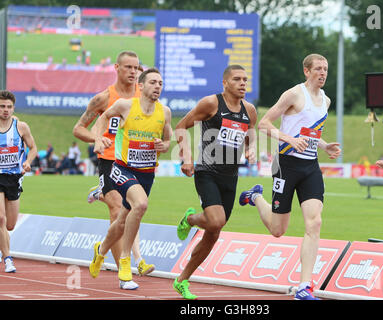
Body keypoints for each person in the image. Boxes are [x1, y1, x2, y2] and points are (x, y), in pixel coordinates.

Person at [239, 54, 341, 300]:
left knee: (314, 223)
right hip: (286, 165)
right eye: (318, 69)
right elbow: (264, 123)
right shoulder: (294, 94)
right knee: (277, 229)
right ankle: (255, 197)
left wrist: (325, 146)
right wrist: (290, 140)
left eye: (325, 69)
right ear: (306, 71)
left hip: (310, 168)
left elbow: (310, 133)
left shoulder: (325, 100)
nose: (322, 73)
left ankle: (304, 286)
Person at [174, 65, 257, 299]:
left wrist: (250, 150)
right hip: (207, 170)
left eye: (245, 80)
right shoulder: (211, 103)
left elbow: (250, 133)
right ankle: (190, 218)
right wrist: (187, 158)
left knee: (215, 230)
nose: (242, 83)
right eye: (237, 79)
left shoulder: (249, 110)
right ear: (225, 83)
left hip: (230, 176)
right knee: (216, 220)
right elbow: (181, 126)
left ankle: (182, 280)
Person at [72, 50, 153, 289]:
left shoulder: (144, 96)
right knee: (118, 209)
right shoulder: (103, 98)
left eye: (136, 68)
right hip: (110, 160)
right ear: (116, 68)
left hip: (136, 162)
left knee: (131, 211)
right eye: (128, 67)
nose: (133, 72)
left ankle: (100, 197)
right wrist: (96, 139)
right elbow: (79, 129)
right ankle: (123, 273)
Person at [88, 68, 172, 288]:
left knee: (122, 220)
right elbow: (103, 118)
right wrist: (98, 139)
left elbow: (167, 137)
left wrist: (164, 145)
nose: (158, 86)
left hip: (146, 173)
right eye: (153, 82)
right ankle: (126, 261)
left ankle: (101, 249)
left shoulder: (165, 112)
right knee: (141, 204)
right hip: (123, 168)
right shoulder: (126, 105)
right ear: (141, 86)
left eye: (161, 83)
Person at [0, 90, 37, 273]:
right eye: (2, 106)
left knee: (10, 224)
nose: (5, 110)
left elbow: (33, 148)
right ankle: (7, 258)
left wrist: (28, 162)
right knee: (0, 218)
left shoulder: (21, 126)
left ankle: (2, 245)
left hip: (14, 177)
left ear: (13, 108)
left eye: (8, 107)